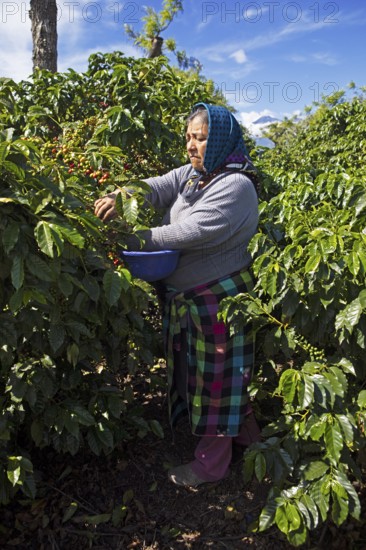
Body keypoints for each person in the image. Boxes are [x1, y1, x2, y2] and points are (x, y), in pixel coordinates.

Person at [94, 102, 261, 488]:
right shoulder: (193, 174)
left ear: (219, 140)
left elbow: (194, 232)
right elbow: (157, 186)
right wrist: (123, 196)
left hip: (219, 300)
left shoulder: (236, 185)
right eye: (188, 137)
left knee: (216, 380)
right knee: (220, 375)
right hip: (189, 298)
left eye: (200, 138)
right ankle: (250, 440)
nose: (191, 145)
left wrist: (136, 238)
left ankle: (211, 466)